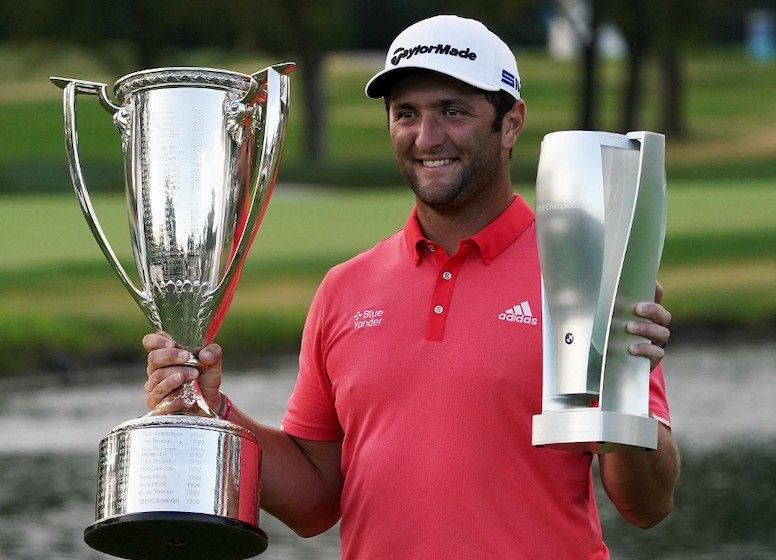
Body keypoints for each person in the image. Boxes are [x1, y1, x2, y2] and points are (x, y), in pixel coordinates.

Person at [144, 14, 680, 559]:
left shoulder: (581, 277)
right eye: (407, 114)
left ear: (511, 123)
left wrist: (622, 384)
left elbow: (647, 504)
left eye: (453, 111)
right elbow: (313, 504)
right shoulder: (345, 288)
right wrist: (214, 414)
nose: (427, 138)